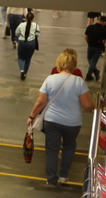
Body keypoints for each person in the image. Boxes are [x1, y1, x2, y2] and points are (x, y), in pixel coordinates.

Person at [28, 49, 93, 186]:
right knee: (69, 147)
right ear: (74, 65)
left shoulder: (50, 79)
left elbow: (41, 102)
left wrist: (31, 116)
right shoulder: (79, 82)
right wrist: (96, 106)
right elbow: (87, 105)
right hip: (73, 122)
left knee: (52, 150)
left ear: (59, 63)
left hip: (52, 121)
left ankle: (51, 178)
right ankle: (64, 176)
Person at [15, 10, 40, 79]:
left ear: (25, 18)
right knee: (28, 59)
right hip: (31, 43)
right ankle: (25, 73)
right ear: (33, 19)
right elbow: (37, 34)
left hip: (22, 42)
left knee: (21, 57)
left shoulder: (21, 25)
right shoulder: (36, 25)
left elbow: (16, 33)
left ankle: (22, 70)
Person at [84, 14, 106, 81]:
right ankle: (89, 75)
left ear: (98, 20)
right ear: (104, 22)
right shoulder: (104, 30)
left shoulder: (90, 27)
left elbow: (86, 37)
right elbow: (104, 41)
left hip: (90, 46)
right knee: (93, 61)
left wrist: (89, 43)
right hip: (98, 48)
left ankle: (94, 72)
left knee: (90, 60)